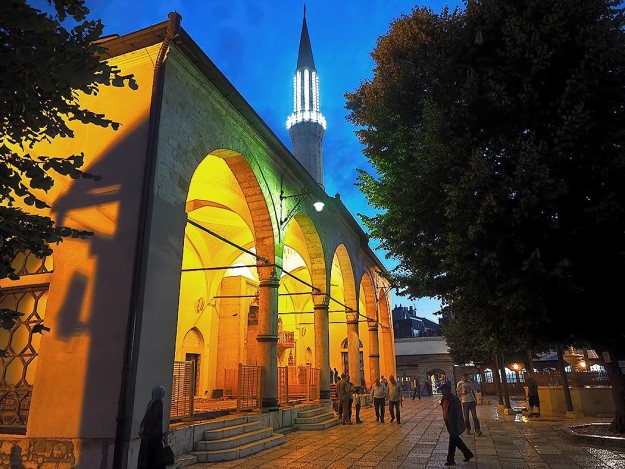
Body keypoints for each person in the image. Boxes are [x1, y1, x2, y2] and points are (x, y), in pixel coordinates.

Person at [440, 382, 474, 466]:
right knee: (455, 440)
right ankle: (467, 454)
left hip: (454, 422)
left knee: (453, 439)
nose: (443, 392)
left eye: (444, 390)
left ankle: (451, 459)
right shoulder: (444, 399)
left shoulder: (454, 400)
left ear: (448, 390)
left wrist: (460, 424)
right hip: (448, 421)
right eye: (442, 391)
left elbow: (459, 413)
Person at [138, 385, 167, 469]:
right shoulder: (158, 403)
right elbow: (157, 420)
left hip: (147, 436)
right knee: (156, 460)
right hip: (154, 437)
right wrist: (160, 435)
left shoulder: (151, 403)